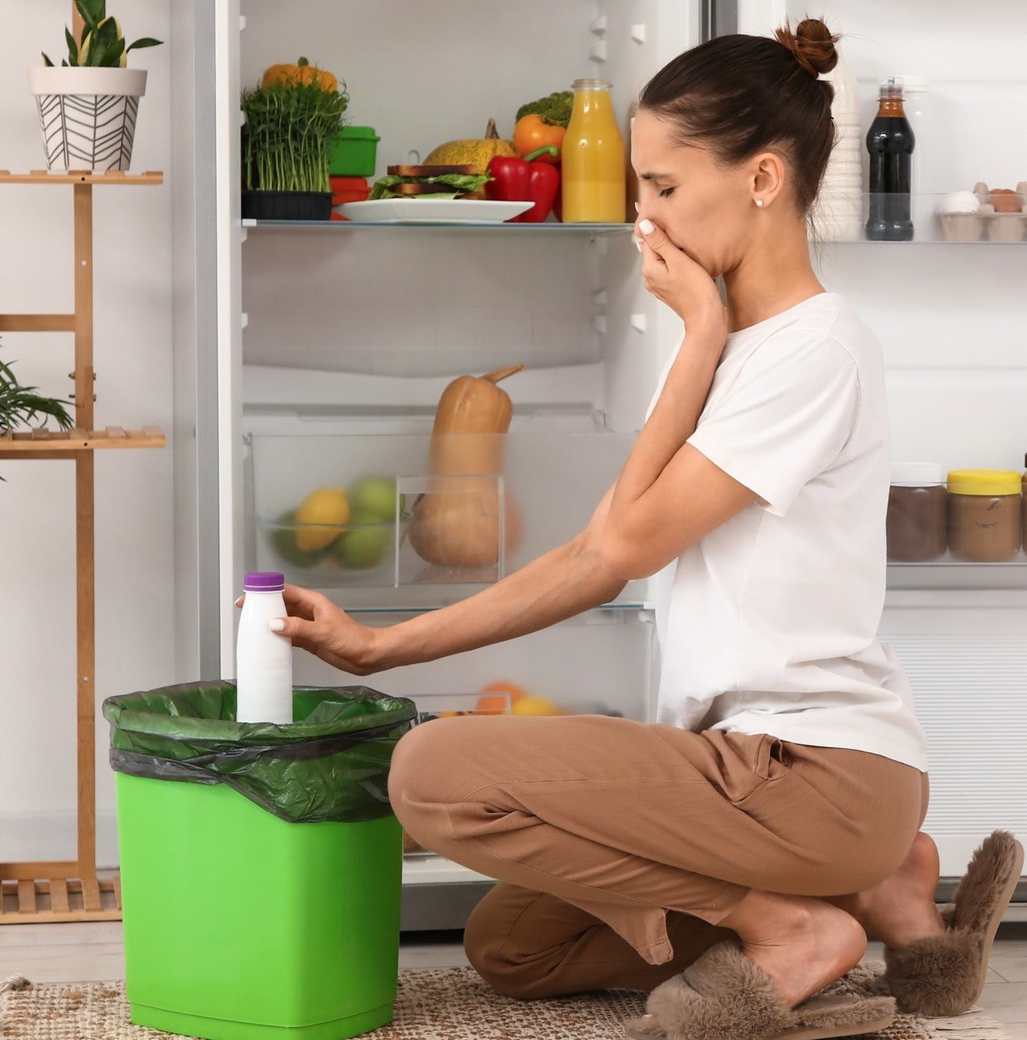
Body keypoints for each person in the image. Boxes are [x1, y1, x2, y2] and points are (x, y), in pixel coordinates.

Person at [268, 19, 1023, 1040]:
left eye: (664, 186)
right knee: (516, 946)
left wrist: (695, 337)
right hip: (736, 766)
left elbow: (621, 548)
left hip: (806, 772)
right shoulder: (747, 352)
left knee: (431, 774)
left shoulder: (811, 352)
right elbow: (594, 553)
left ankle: (790, 926)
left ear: (760, 179)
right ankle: (881, 888)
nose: (643, 213)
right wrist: (377, 643)